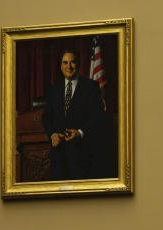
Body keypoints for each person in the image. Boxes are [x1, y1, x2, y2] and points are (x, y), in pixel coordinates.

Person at [41, 49, 111, 180]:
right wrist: (52, 134)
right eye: (65, 62)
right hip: (59, 157)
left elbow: (98, 117)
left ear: (78, 64)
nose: (69, 66)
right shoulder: (53, 89)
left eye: (72, 62)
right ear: (60, 66)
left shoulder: (91, 86)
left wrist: (80, 133)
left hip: (83, 156)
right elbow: (46, 117)